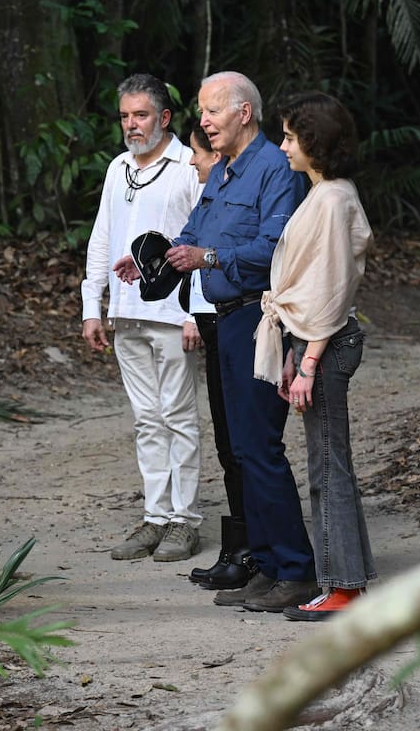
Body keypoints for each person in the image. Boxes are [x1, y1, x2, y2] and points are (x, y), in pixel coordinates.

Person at [117, 71, 315, 610]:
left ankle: (296, 570)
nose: (202, 121)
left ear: (243, 113)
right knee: (240, 451)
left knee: (260, 448)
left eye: (211, 111)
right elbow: (193, 232)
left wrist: (207, 259)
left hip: (259, 318)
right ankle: (266, 566)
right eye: (202, 111)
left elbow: (276, 248)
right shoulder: (223, 171)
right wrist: (149, 262)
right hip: (223, 320)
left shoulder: (276, 169)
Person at [253, 91, 375, 620]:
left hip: (324, 343)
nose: (282, 147)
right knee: (329, 464)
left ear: (314, 143)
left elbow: (330, 288)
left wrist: (307, 362)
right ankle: (346, 580)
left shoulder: (330, 199)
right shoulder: (325, 192)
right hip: (311, 340)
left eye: (289, 137)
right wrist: (294, 353)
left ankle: (342, 587)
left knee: (328, 467)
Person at [81, 73, 205, 563]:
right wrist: (94, 304)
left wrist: (198, 312)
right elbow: (102, 238)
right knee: (147, 420)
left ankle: (185, 520)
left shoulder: (187, 167)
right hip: (127, 314)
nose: (132, 125)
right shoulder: (118, 168)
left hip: (175, 314)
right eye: (126, 116)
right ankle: (156, 517)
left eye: (142, 115)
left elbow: (201, 239)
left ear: (164, 117)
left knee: (178, 416)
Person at [179, 127, 253, 591]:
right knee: (228, 443)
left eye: (197, 152)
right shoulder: (213, 190)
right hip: (212, 318)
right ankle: (239, 545)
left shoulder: (243, 188)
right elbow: (190, 242)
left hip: (238, 316)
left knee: (244, 443)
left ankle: (252, 549)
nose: (192, 161)